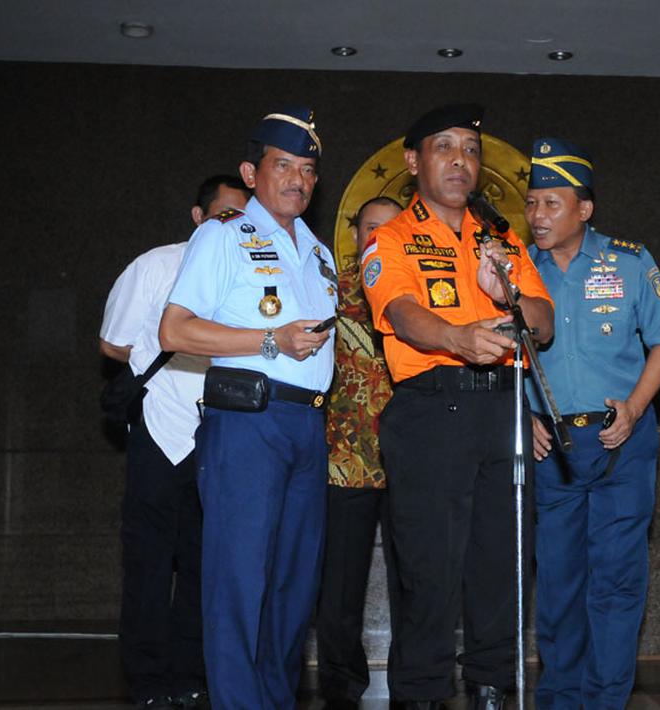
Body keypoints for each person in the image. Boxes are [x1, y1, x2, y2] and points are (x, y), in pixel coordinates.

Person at [360, 103, 554, 710]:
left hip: (500, 412)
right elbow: (400, 314)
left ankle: (493, 691)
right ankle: (419, 696)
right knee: (429, 574)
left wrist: (512, 293)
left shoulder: (500, 238)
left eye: (470, 149)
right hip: (430, 412)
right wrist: (458, 336)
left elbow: (543, 326)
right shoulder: (390, 238)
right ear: (415, 160)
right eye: (444, 147)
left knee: (501, 568)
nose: (459, 160)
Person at [159, 106, 338, 709]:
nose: (297, 179)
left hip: (307, 425)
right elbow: (175, 332)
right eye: (283, 165)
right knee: (240, 582)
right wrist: (270, 340)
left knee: (293, 588)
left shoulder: (319, 253)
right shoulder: (223, 235)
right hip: (247, 424)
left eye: (308, 169)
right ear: (251, 171)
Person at [525, 137, 660, 709]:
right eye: (532, 204)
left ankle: (606, 700)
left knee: (617, 582)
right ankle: (561, 698)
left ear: (584, 209)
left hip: (622, 442)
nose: (538, 216)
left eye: (551, 203)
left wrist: (639, 405)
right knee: (561, 583)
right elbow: (502, 354)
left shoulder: (628, 259)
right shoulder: (518, 270)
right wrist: (528, 416)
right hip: (553, 447)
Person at [100, 175, 249, 710]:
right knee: (148, 563)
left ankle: (191, 672)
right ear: (197, 217)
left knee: (203, 564)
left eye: (241, 216)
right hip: (160, 432)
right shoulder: (156, 265)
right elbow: (112, 344)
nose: (232, 225)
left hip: (222, 434)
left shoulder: (253, 272)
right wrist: (162, 357)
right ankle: (146, 679)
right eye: (222, 215)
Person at [316, 197, 402, 710]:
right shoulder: (328, 289)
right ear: (355, 233)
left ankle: (413, 687)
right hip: (344, 458)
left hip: (411, 459)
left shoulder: (423, 292)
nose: (379, 237)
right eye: (371, 228)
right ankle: (340, 687)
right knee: (339, 588)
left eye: (390, 229)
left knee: (414, 582)